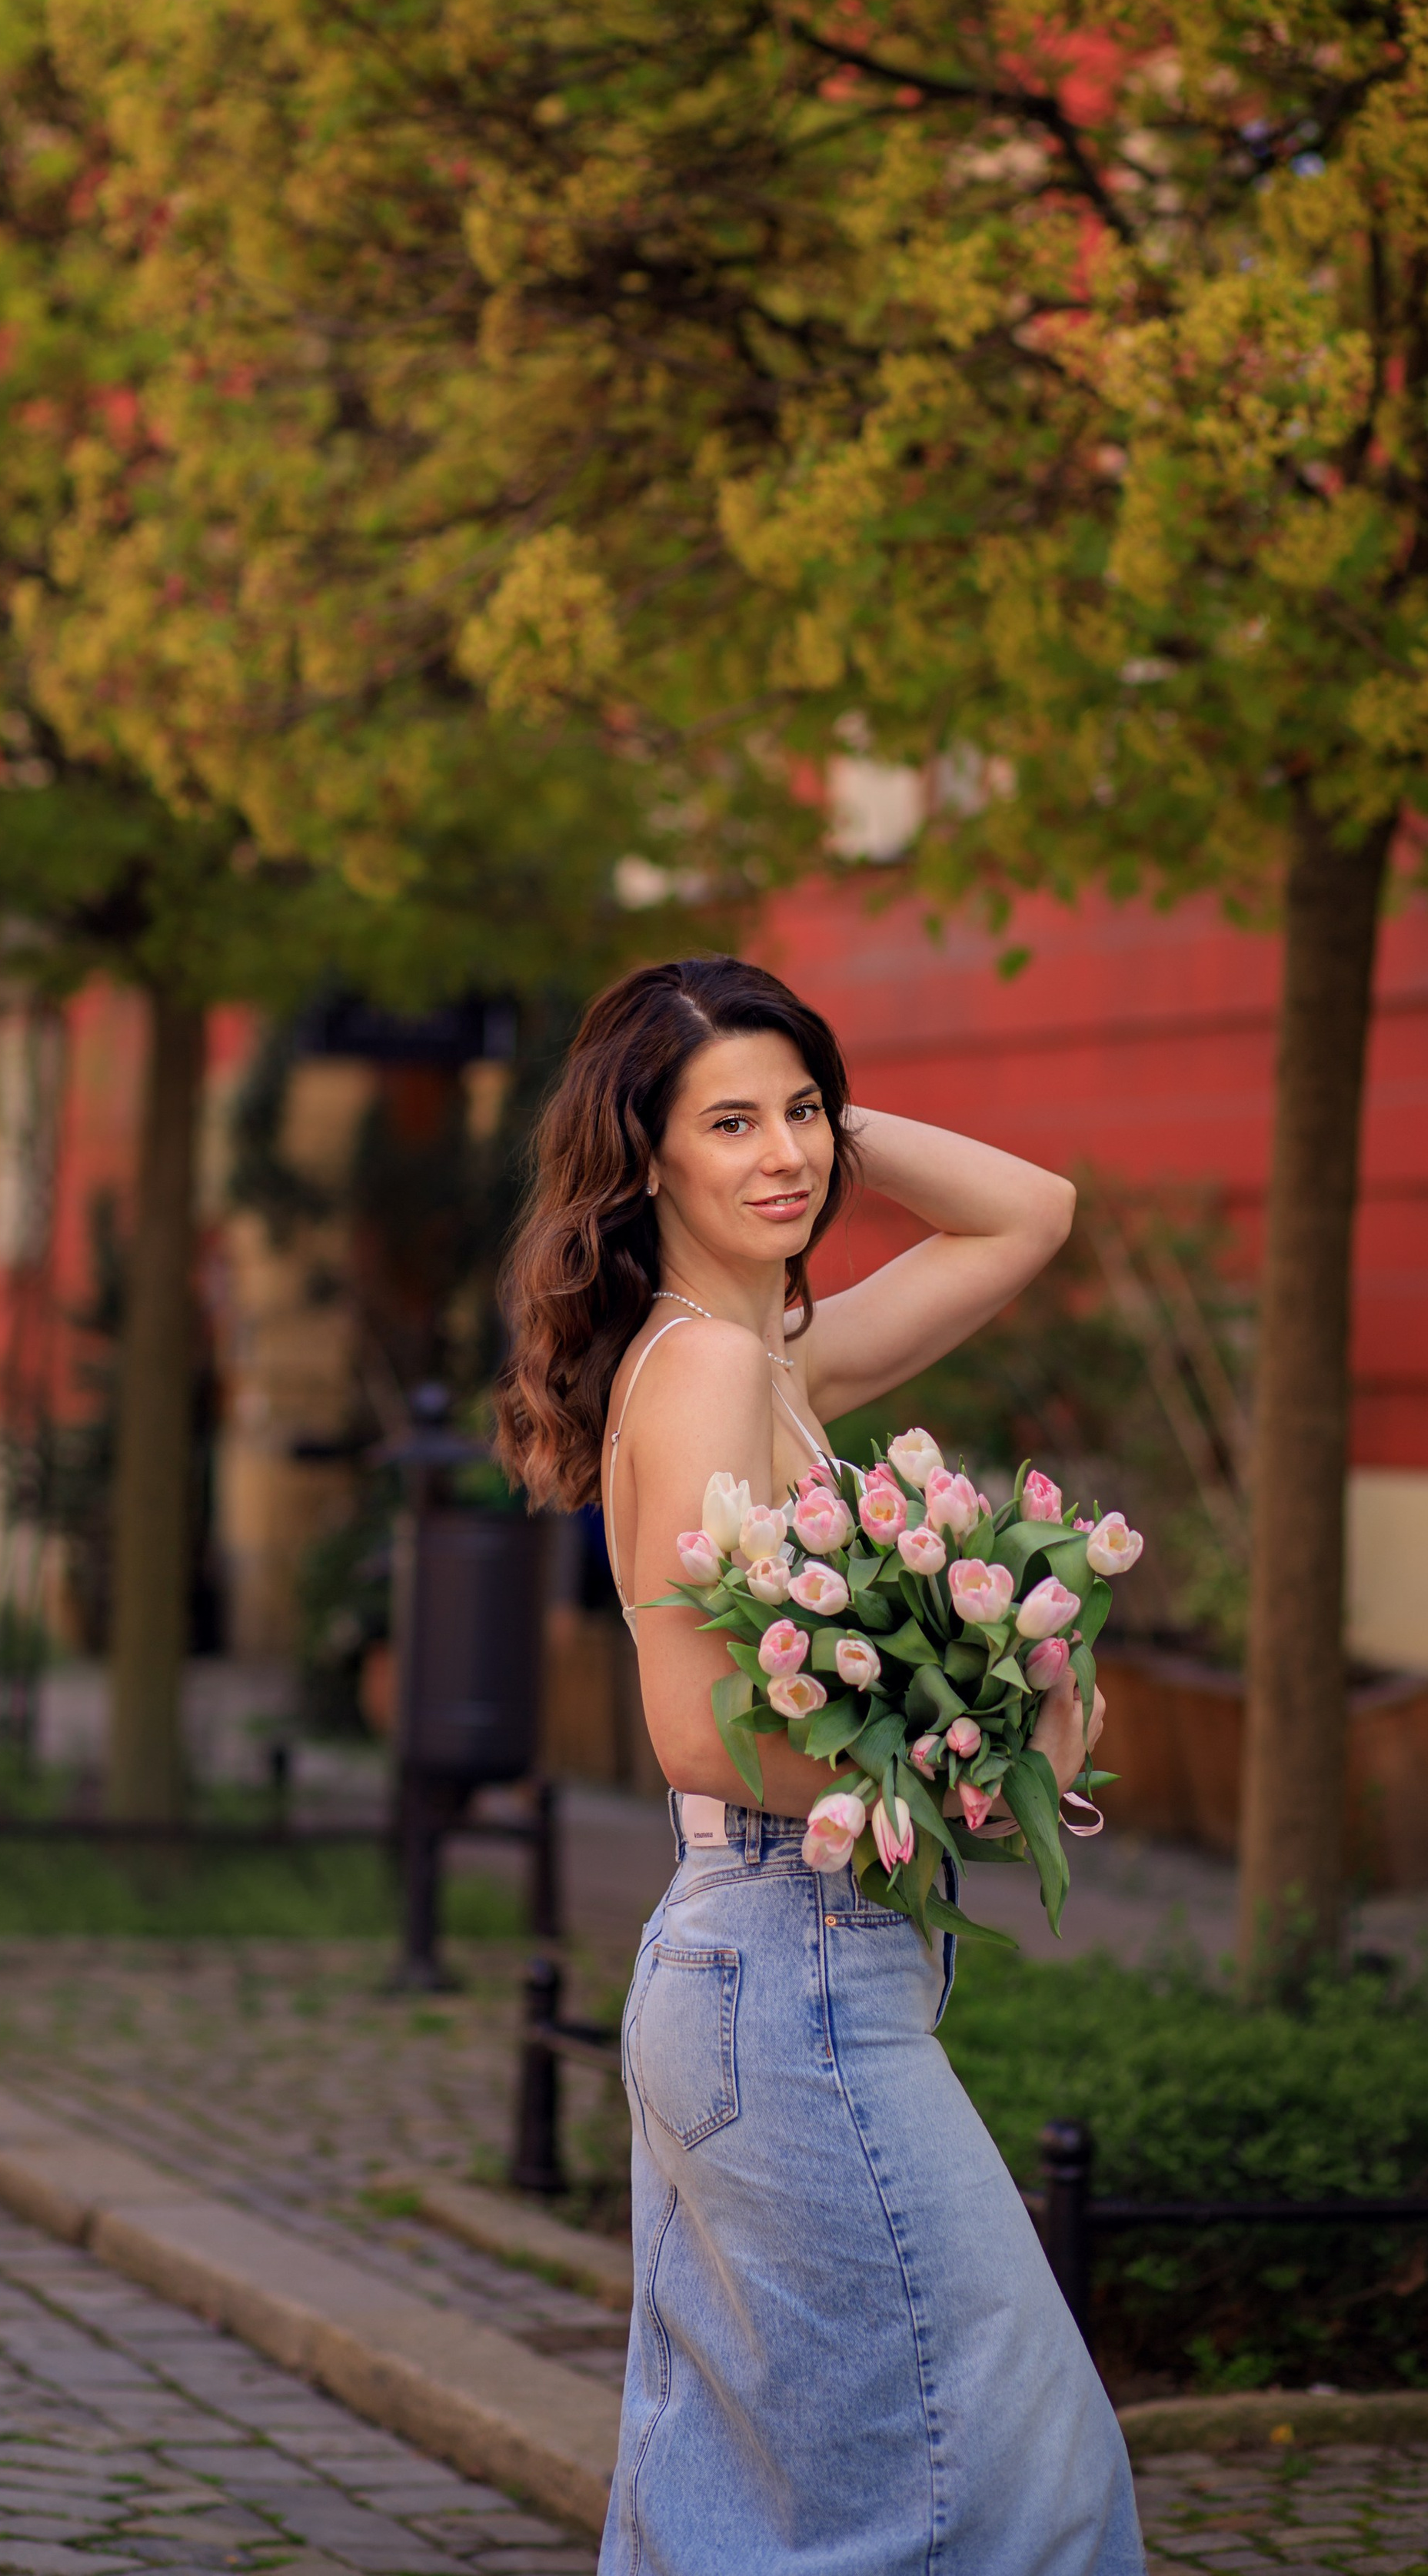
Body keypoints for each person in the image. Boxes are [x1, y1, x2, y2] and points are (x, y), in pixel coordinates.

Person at [498, 956, 1143, 2576]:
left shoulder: (761, 1354)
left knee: (753, 2496)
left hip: (764, 1967)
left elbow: (1029, 1214)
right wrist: (967, 1773)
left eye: (799, 1116)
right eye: (730, 1124)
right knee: (1016, 2471)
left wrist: (814, 1116)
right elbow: (689, 1718)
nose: (782, 1153)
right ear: (643, 1156)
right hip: (785, 1963)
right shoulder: (712, 1367)